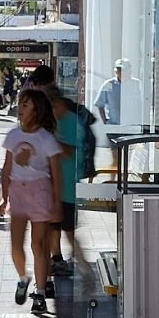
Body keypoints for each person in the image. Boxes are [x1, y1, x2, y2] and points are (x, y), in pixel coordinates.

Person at [1, 88, 65, 315]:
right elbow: (7, 168)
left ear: (36, 111)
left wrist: (56, 203)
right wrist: (4, 196)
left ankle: (40, 293)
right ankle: (23, 278)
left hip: (40, 192)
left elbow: (56, 173)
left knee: (38, 245)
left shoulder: (45, 139)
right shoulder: (12, 136)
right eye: (20, 103)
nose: (20, 108)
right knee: (15, 245)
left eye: (25, 105)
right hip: (17, 193)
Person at [45, 86, 90, 273]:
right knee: (53, 226)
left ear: (58, 104)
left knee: (69, 230)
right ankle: (56, 258)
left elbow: (69, 151)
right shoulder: (56, 121)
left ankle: (84, 266)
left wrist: (50, 139)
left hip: (68, 186)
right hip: (54, 185)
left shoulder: (72, 122)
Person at [95, 60, 126, 125]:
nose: (121, 72)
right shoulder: (109, 84)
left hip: (133, 125)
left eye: (124, 70)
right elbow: (100, 104)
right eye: (119, 69)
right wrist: (105, 122)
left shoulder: (136, 84)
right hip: (113, 125)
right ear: (115, 71)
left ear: (129, 70)